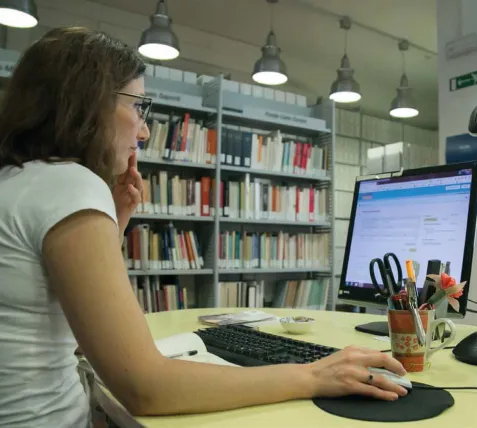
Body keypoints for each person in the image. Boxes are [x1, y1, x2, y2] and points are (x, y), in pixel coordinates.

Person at [0, 27, 407, 427]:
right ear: (88, 102)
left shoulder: (18, 180)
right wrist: (314, 375)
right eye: (138, 106)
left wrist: (114, 224)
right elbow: (146, 386)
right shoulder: (69, 183)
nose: (143, 130)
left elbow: (56, 329)